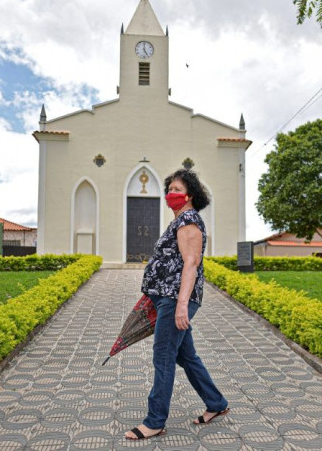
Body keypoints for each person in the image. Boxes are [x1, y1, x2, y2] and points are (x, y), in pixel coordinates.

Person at [125, 169, 229, 441]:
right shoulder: (180, 220)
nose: (171, 193)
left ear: (190, 195)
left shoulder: (189, 221)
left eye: (177, 189)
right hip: (167, 299)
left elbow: (191, 264)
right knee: (186, 356)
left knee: (163, 357)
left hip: (175, 300)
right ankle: (216, 404)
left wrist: (182, 305)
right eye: (168, 188)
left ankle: (155, 421)